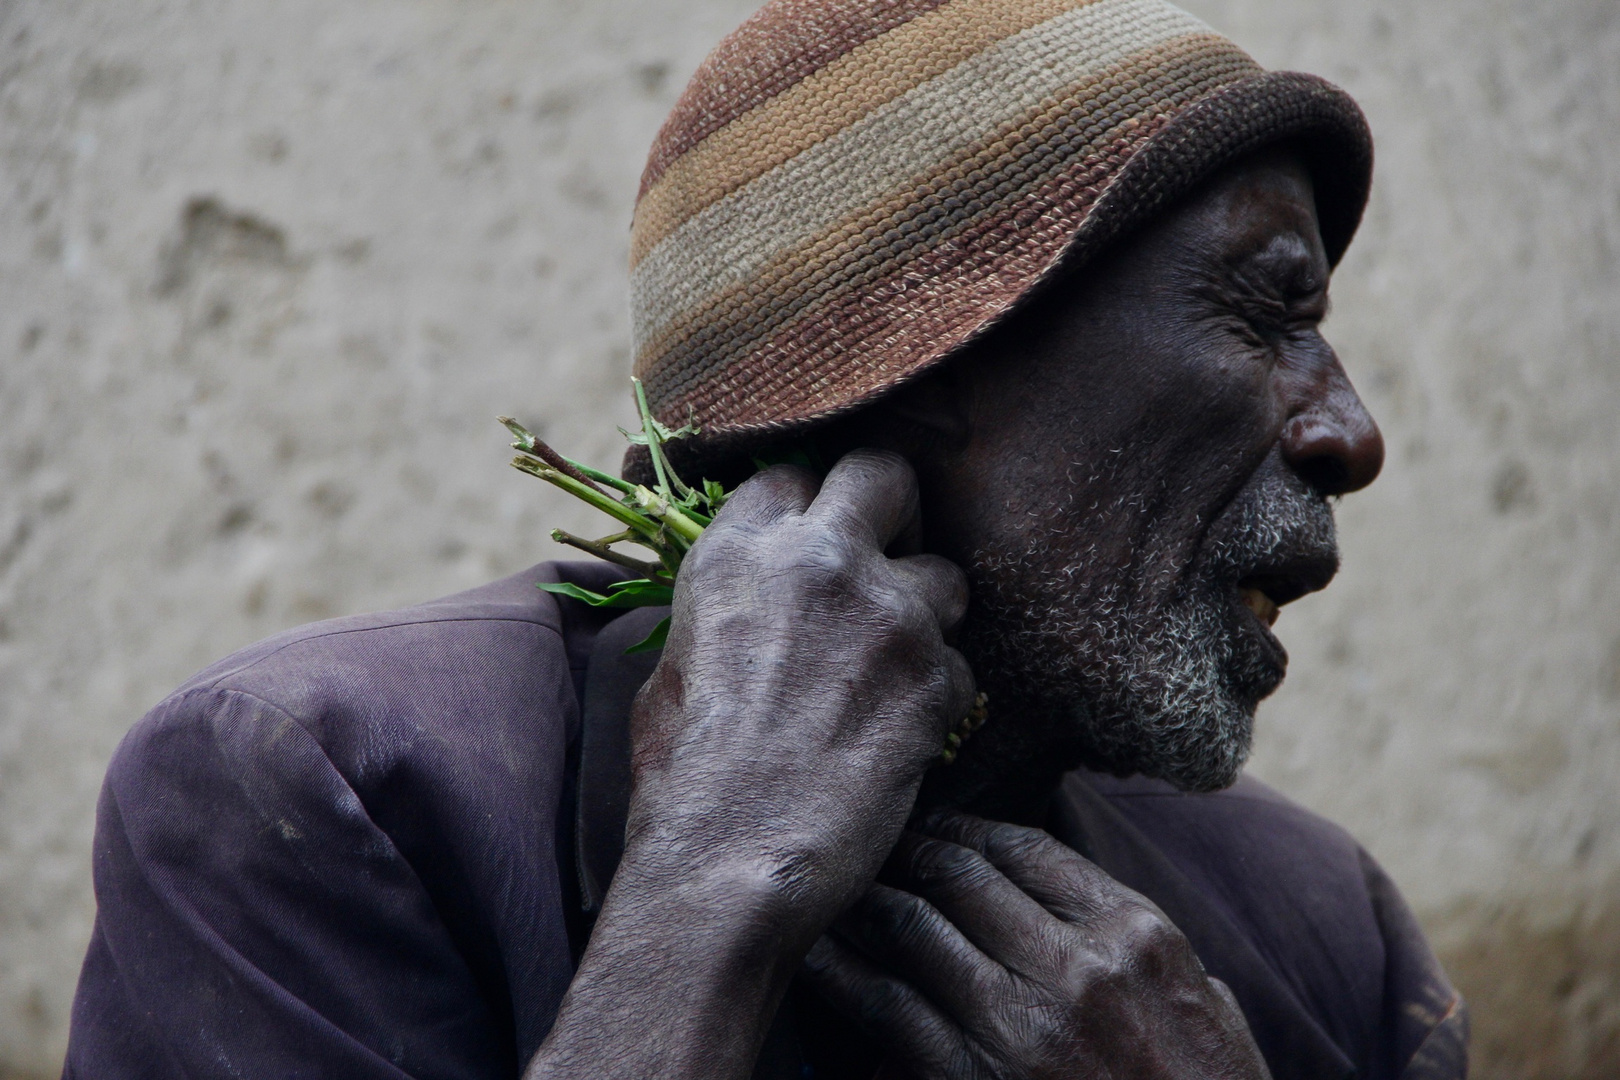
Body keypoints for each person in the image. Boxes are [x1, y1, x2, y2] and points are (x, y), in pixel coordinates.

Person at [64, 2, 1468, 1078]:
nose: (1352, 435)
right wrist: (705, 901)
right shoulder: (317, 797)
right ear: (918, 369)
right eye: (1269, 311)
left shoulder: (1323, 936)